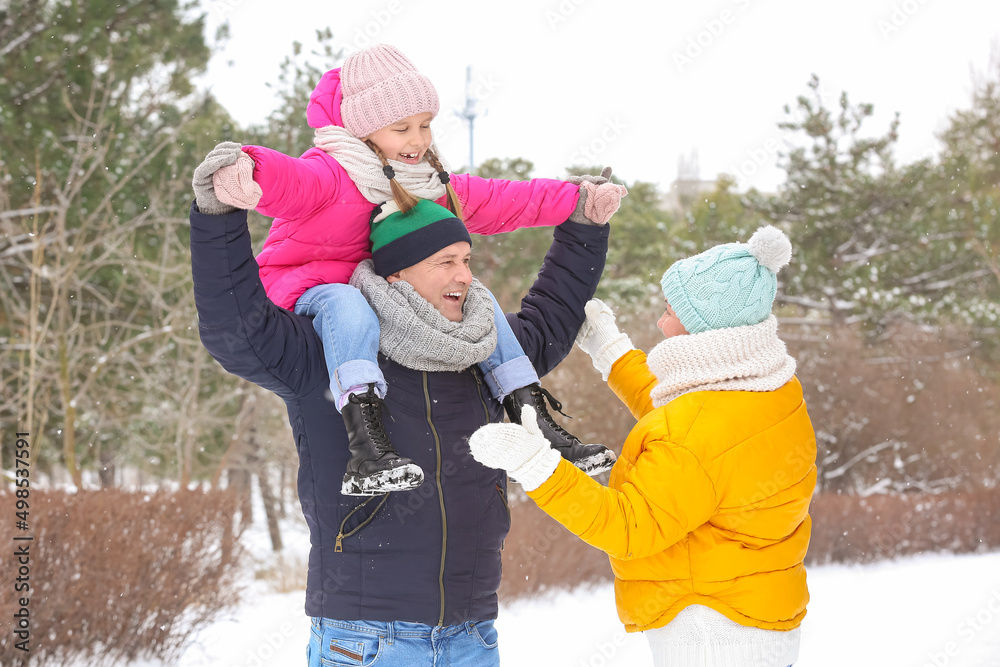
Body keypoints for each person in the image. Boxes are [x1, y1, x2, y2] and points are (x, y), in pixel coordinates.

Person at [189, 149, 614, 664]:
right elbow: (238, 330)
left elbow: (551, 317)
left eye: (466, 260)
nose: (464, 277)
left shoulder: (481, 351)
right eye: (445, 263)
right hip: (366, 636)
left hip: (471, 633)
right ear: (396, 274)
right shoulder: (323, 351)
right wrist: (219, 217)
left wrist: (585, 228)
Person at [202, 43, 625, 495]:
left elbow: (503, 197)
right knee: (347, 304)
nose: (419, 140)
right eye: (402, 128)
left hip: (384, 291)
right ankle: (367, 440)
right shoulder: (330, 174)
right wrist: (248, 169)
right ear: (364, 130)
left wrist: (575, 200)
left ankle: (534, 420)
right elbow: (287, 180)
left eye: (424, 125)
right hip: (312, 288)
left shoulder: (428, 184)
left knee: (478, 300)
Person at [469, 226, 818, 667]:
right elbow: (688, 413)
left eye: (669, 311)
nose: (660, 322)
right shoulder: (772, 388)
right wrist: (611, 351)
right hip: (758, 615)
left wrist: (535, 464)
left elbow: (628, 528)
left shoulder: (692, 430)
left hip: (710, 634)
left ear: (701, 329)